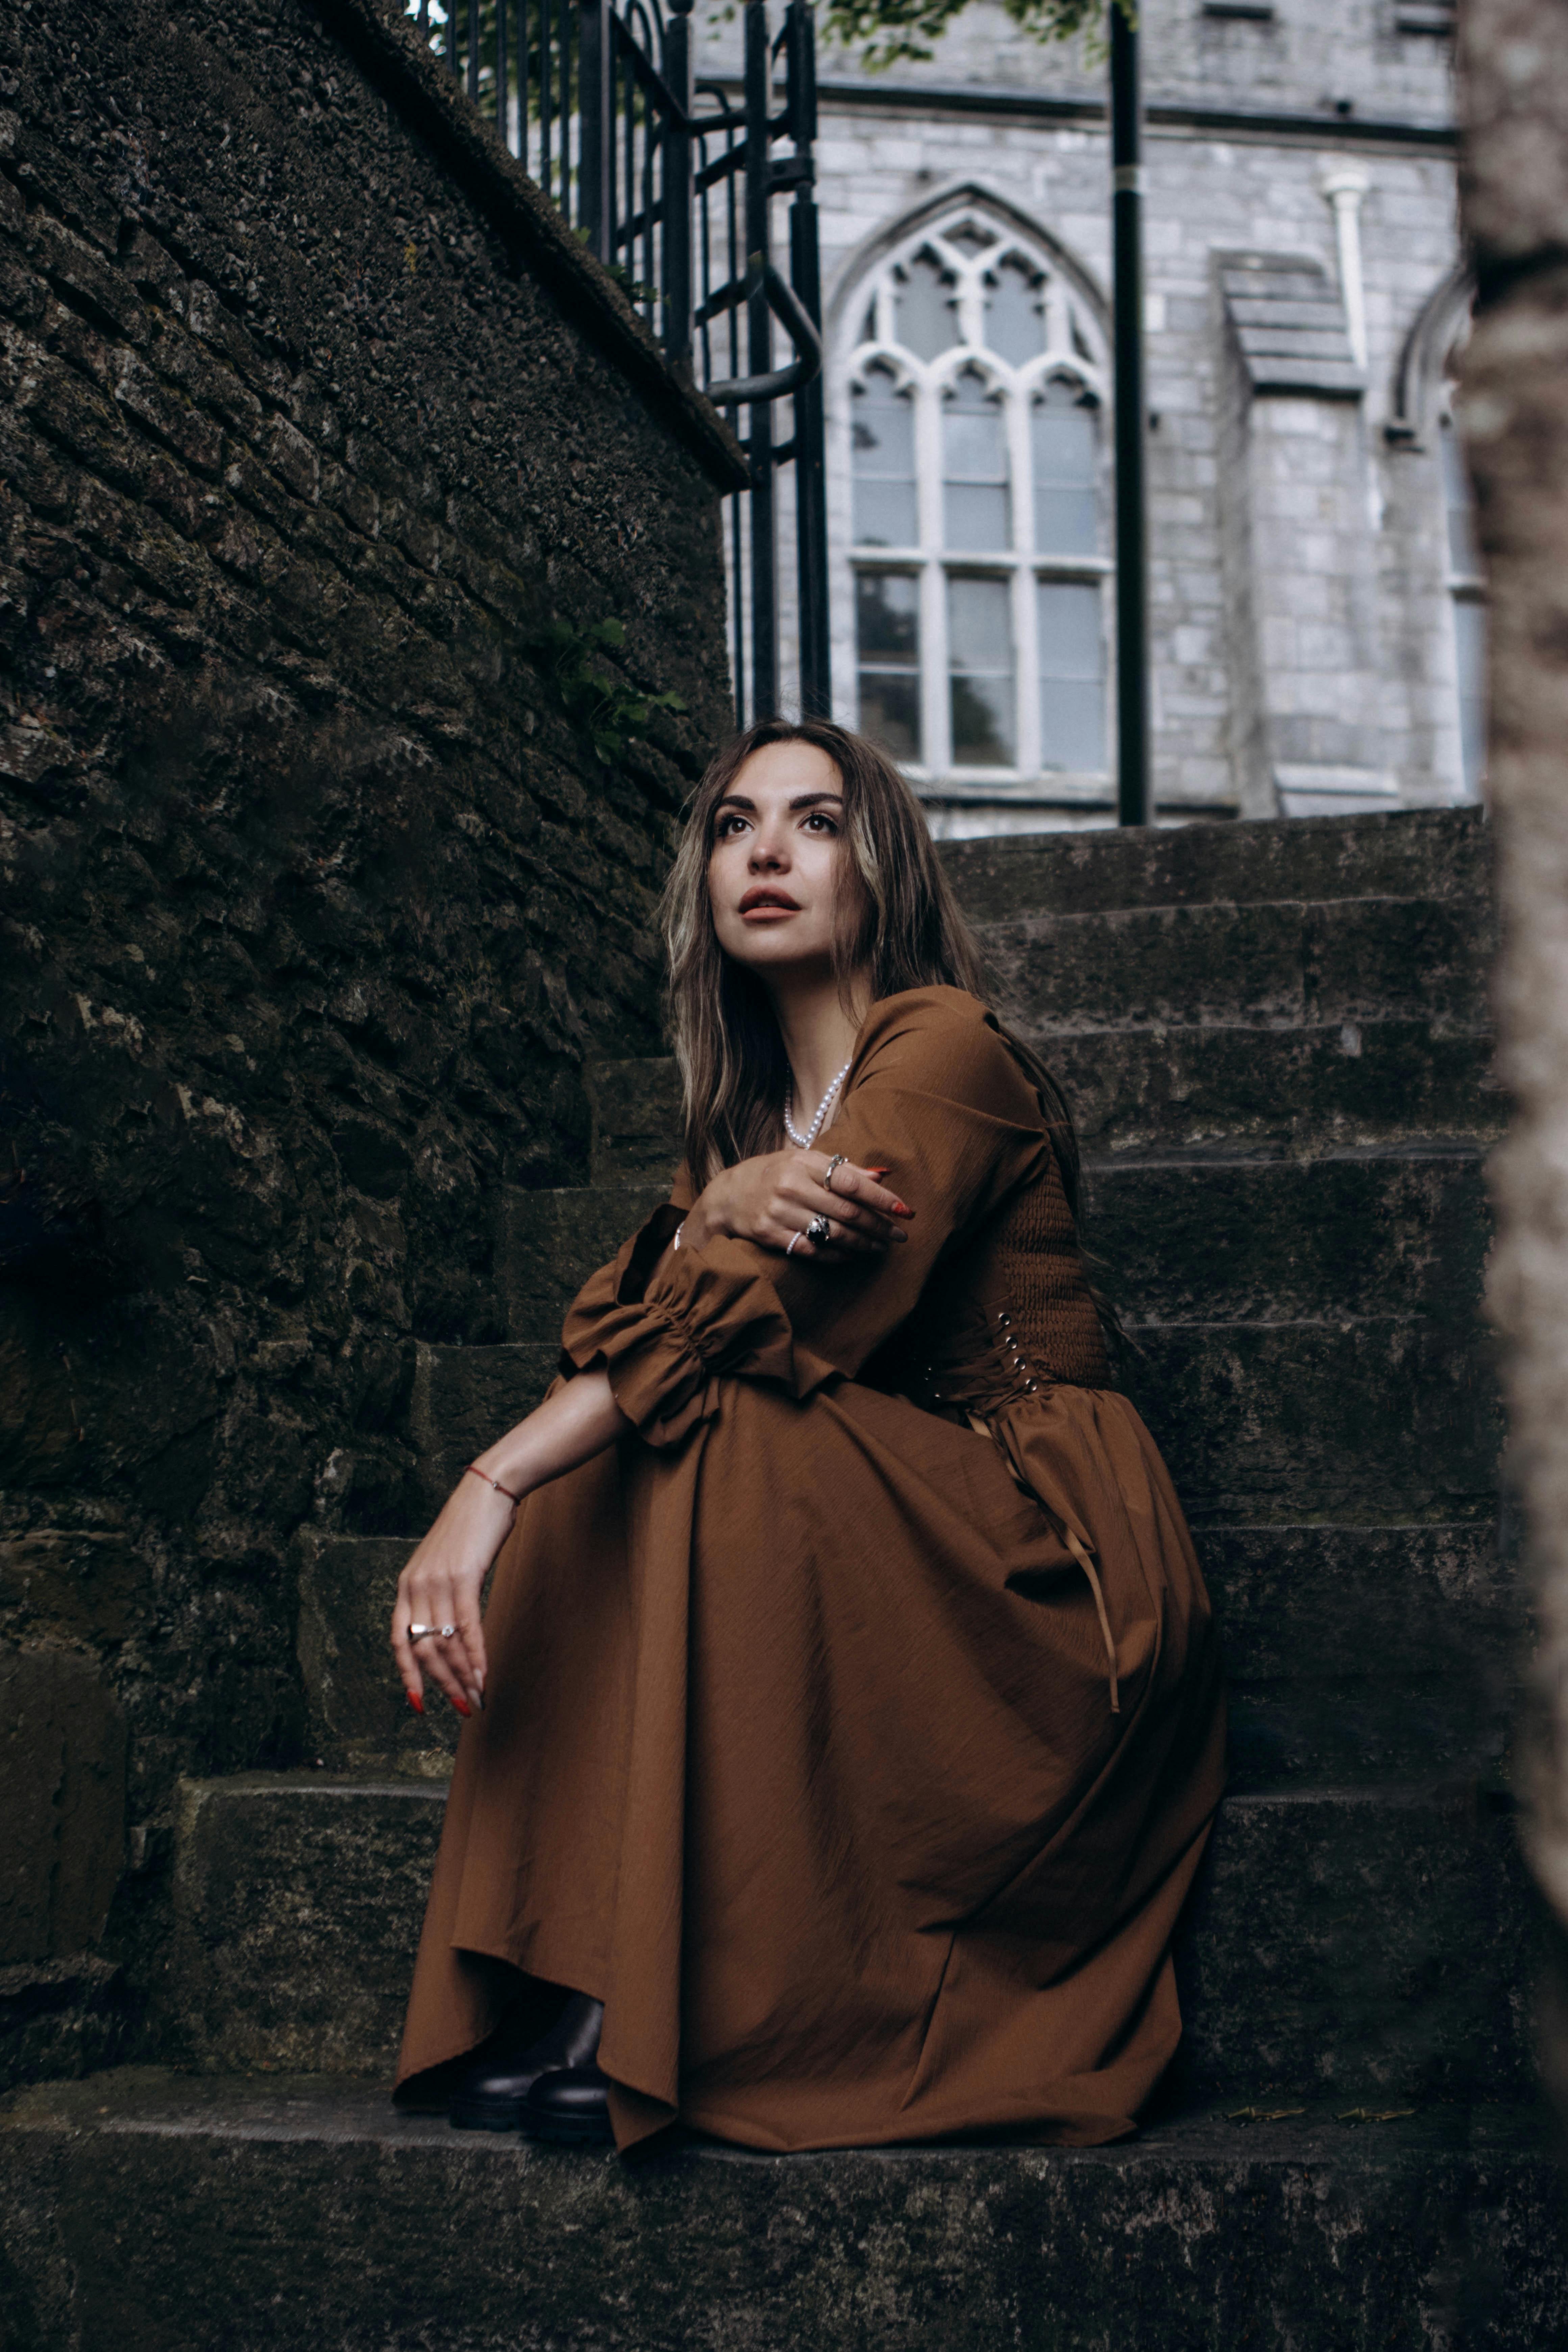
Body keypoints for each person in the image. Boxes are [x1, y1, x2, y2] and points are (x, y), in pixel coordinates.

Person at [390, 717, 1226, 2154]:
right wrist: (711, 1200)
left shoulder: (944, 1045)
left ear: (877, 868)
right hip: (894, 1529)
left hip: (1052, 1556)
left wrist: (487, 1483)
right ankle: (575, 1961)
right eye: (732, 825)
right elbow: (622, 1321)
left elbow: (742, 1314)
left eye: (815, 821)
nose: (765, 851)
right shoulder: (742, 1127)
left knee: (697, 1419)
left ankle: (627, 1987)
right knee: (656, 1429)